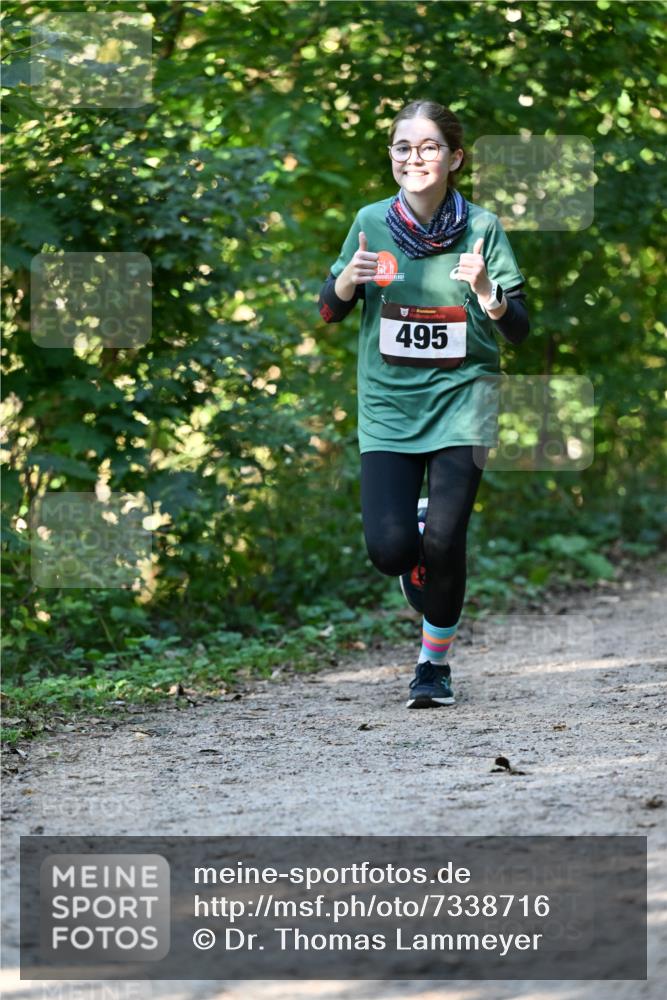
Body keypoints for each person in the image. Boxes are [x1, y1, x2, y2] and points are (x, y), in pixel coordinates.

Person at [318, 100, 529, 709]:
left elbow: (517, 328)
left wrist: (488, 292)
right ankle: (409, 544)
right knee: (391, 552)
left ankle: (432, 667)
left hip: (465, 400)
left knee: (444, 541)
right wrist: (347, 281)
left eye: (428, 146)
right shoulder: (370, 222)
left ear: (454, 158)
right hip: (388, 406)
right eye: (402, 147)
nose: (414, 157)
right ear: (391, 158)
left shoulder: (482, 228)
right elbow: (328, 311)